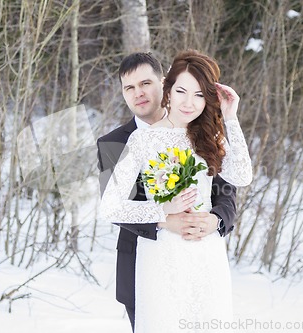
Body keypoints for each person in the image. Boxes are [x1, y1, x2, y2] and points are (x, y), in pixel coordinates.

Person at [96, 52, 239, 331]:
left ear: (163, 83)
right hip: (143, 261)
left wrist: (215, 220)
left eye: (145, 83)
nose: (139, 93)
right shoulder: (112, 142)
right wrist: (164, 218)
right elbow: (115, 207)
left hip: (201, 257)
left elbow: (226, 190)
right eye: (129, 87)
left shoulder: (200, 128)